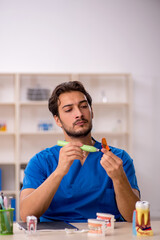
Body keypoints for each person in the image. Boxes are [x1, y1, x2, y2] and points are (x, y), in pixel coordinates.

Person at [20, 81, 140, 223]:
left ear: (92, 112)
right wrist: (59, 172)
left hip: (106, 234)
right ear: (57, 120)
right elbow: (26, 215)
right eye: (69, 109)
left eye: (83, 106)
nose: (78, 114)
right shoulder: (41, 161)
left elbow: (135, 219)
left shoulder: (119, 159)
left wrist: (119, 179)